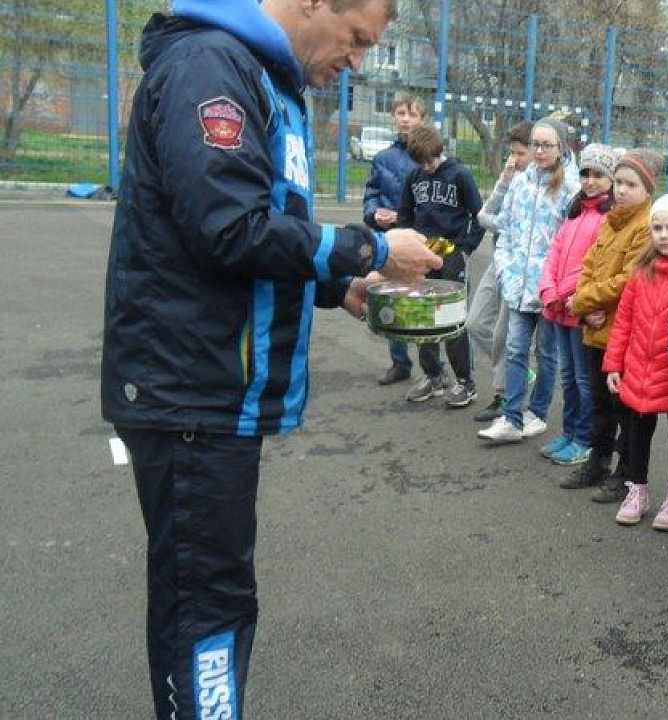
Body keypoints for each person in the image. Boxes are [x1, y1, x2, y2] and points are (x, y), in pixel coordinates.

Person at [100, 1, 438, 717]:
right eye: (356, 41)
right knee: (209, 606)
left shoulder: (261, 78)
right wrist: (372, 248)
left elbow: (262, 230)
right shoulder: (211, 67)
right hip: (193, 390)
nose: (358, 63)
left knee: (206, 594)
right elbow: (229, 228)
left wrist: (334, 285)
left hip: (213, 389)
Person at [566, 150, 663, 500]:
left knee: (624, 407)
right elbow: (589, 265)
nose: (621, 190)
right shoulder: (611, 220)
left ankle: (626, 474)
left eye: (630, 184)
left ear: (647, 188)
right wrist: (583, 304)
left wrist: (585, 302)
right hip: (595, 328)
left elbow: (629, 279)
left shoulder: (646, 226)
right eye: (619, 183)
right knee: (599, 404)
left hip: (622, 334)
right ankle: (598, 461)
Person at [603, 195, 668, 528]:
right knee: (637, 433)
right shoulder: (641, 272)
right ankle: (638, 489)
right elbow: (624, 322)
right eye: (657, 227)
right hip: (638, 368)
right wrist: (614, 365)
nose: (663, 235)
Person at [478, 117, 579, 443]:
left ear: (561, 148)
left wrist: (557, 284)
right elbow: (504, 227)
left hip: (549, 289)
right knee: (515, 348)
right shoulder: (521, 183)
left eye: (547, 145)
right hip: (518, 285)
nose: (539, 151)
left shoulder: (570, 190)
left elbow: (571, 243)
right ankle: (511, 417)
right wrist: (507, 270)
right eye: (535, 144)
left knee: (547, 354)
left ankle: (537, 412)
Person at [538, 144, 619, 465]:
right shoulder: (575, 212)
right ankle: (570, 431)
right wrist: (547, 290)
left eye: (599, 175)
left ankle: (585, 438)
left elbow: (592, 264)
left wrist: (567, 294)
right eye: (586, 173)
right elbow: (555, 253)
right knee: (568, 377)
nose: (590, 181)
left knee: (586, 380)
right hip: (559, 307)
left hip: (579, 310)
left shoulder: (607, 218)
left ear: (611, 180)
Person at [396, 123, 484, 406]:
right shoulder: (414, 177)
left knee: (453, 318)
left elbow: (479, 217)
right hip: (424, 254)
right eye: (422, 162)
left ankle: (465, 382)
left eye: (430, 160)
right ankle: (434, 375)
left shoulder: (460, 175)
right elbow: (405, 215)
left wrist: (465, 250)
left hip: (452, 254)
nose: (427, 166)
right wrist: (410, 244)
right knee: (424, 318)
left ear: (439, 150)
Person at [469, 121, 534, 421]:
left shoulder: (537, 186)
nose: (514, 159)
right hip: (499, 257)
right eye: (512, 153)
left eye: (520, 153)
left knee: (502, 335)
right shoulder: (511, 179)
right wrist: (504, 180)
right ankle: (518, 370)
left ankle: (503, 395)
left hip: (519, 266)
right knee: (474, 322)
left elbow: (517, 228)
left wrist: (504, 225)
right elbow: (484, 215)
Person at [362, 94, 426, 386]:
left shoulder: (432, 157)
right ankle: (399, 362)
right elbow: (371, 195)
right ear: (393, 117)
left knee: (422, 302)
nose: (406, 119)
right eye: (401, 112)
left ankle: (433, 369)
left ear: (422, 119)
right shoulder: (383, 158)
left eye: (412, 114)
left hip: (420, 239)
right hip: (390, 241)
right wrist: (374, 213)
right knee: (391, 297)